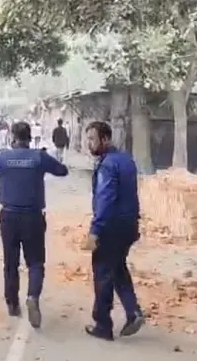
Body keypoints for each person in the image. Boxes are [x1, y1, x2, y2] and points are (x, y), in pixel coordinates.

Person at [0, 122, 68, 329]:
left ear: (13, 137)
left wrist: (0, 170)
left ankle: (13, 304)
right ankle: (32, 296)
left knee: (11, 263)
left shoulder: (2, 157)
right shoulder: (39, 157)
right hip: (33, 217)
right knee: (36, 262)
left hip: (9, 217)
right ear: (29, 137)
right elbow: (62, 171)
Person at [80, 121, 145, 340]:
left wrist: (95, 230)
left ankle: (102, 325)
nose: (89, 143)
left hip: (111, 226)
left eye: (93, 139)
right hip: (129, 225)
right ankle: (133, 312)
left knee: (102, 273)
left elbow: (105, 199)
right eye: (88, 139)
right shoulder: (126, 160)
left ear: (105, 139)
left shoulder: (107, 165)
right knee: (117, 268)